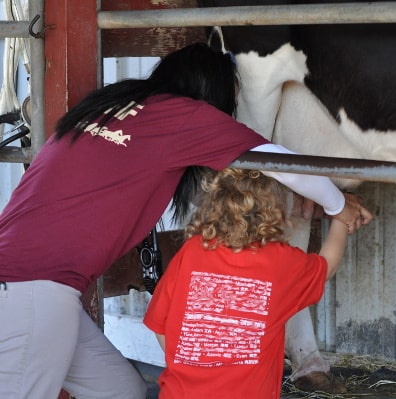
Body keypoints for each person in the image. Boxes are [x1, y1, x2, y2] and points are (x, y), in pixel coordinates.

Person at [0, 42, 372, 399]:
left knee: (119, 390)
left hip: (33, 286)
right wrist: (340, 207)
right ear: (213, 93)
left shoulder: (107, 109)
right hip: (32, 289)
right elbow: (278, 162)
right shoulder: (182, 116)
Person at [143, 167, 364, 399]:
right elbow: (326, 265)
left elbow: (160, 326)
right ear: (277, 212)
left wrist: (197, 365)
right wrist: (342, 217)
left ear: (213, 206)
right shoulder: (280, 262)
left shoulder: (192, 251)